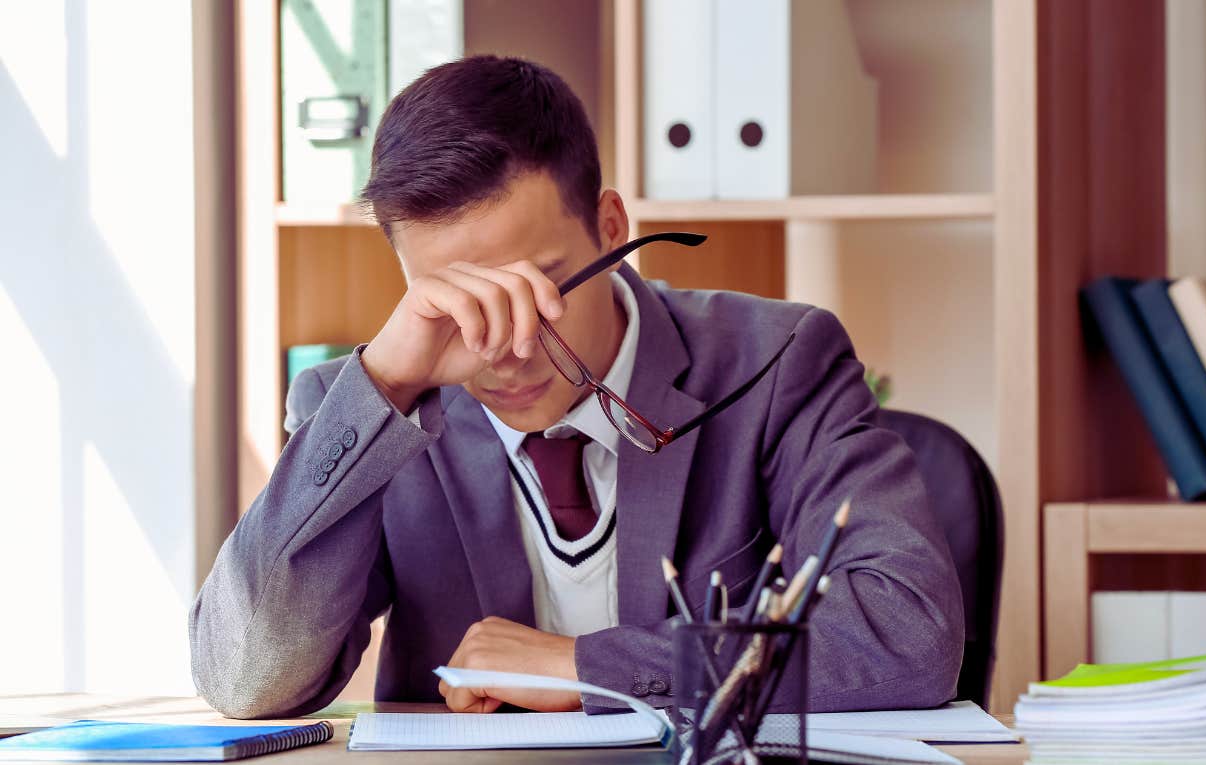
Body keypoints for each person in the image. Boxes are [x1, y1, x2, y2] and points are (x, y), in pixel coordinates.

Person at [189, 55, 963, 719]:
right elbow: (243, 680)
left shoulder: (777, 360)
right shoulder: (363, 408)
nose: (510, 348)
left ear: (613, 226)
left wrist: (587, 667)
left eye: (541, 288)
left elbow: (911, 631)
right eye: (459, 306)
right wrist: (386, 383)